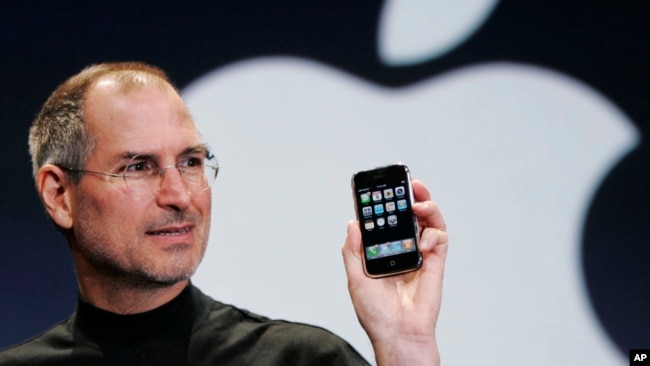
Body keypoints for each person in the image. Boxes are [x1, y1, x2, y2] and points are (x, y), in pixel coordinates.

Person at [0, 62, 449, 365]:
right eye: (138, 167)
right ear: (60, 196)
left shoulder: (300, 359)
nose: (179, 195)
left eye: (191, 162)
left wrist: (404, 345)